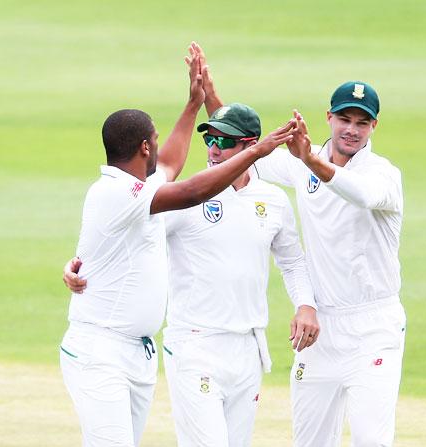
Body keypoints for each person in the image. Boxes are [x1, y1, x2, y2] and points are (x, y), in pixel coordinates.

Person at [59, 42, 296, 447]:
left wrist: (193, 105)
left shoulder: (136, 184)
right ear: (143, 147)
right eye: (155, 137)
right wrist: (256, 151)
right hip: (101, 350)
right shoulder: (116, 194)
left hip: (136, 352)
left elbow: (169, 164)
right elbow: (189, 192)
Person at [200, 63, 406, 446]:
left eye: (362, 123)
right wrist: (212, 99)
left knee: (371, 440)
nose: (351, 130)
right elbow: (248, 151)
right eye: (344, 118)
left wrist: (311, 161)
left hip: (373, 327)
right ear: (328, 117)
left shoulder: (383, 175)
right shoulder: (301, 162)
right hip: (321, 329)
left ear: (374, 127)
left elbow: (360, 194)